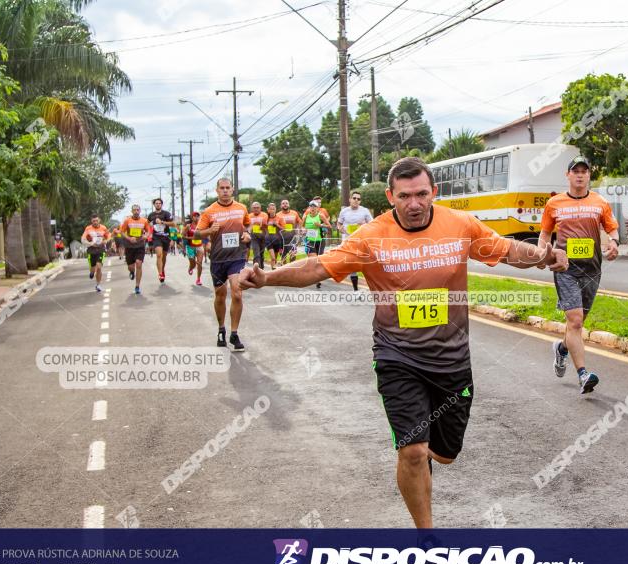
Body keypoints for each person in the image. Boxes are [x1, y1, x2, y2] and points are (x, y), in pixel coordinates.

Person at [240, 157, 567, 528]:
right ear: (391, 197)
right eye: (405, 196)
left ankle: (427, 452)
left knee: (443, 455)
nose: (414, 204)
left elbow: (505, 249)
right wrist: (267, 277)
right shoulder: (370, 236)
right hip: (397, 355)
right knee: (412, 451)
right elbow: (318, 266)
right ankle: (426, 536)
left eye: (422, 194)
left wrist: (541, 255)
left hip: (452, 360)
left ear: (434, 193)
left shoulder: (458, 224)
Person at [538, 155, 620, 394]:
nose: (580, 174)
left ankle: (562, 349)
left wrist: (614, 243)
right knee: (574, 321)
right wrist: (543, 254)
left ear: (589, 175)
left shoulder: (600, 202)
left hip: (592, 269)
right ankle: (583, 375)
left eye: (584, 171)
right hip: (565, 269)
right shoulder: (554, 204)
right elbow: (545, 234)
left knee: (577, 323)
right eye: (576, 171)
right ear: (568, 175)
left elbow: (612, 229)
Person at [196, 178, 251, 352]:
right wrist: (209, 231)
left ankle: (234, 334)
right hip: (218, 259)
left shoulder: (241, 208)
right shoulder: (209, 211)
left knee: (237, 292)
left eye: (228, 188)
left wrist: (247, 235)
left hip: (237, 257)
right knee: (220, 294)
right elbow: (197, 234)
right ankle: (221, 329)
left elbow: (247, 226)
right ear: (217, 190)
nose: (225, 191)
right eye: (222, 188)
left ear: (233, 190)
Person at [337, 191, 373, 292]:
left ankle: (372, 287)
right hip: (348, 241)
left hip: (361, 241)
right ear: (350, 199)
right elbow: (339, 224)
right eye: (354, 198)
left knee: (366, 265)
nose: (356, 200)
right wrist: (340, 229)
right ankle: (356, 290)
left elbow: (372, 224)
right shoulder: (344, 211)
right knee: (352, 265)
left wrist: (364, 225)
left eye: (358, 199)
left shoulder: (365, 211)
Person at [120, 204, 153, 294]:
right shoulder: (127, 221)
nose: (136, 211)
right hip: (129, 246)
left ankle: (137, 286)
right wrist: (129, 238)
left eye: (138, 210)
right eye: (134, 210)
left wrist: (145, 236)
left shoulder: (144, 221)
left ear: (140, 211)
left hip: (140, 245)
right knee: (130, 267)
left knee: (139, 263)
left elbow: (148, 231)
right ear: (132, 211)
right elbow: (122, 232)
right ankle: (132, 272)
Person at [302, 202, 331, 289]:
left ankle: (318, 278)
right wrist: (303, 230)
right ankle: (315, 278)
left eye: (314, 206)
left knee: (319, 259)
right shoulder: (306, 217)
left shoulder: (321, 216)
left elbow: (329, 226)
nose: (313, 208)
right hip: (310, 240)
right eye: (311, 206)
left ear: (318, 208)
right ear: (309, 208)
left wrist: (320, 225)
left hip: (319, 241)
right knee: (313, 259)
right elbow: (302, 226)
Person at [148, 197, 176, 283]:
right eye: (156, 203)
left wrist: (162, 222)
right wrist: (148, 234)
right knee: (159, 255)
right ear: (154, 205)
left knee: (164, 257)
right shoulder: (151, 215)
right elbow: (148, 225)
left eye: (159, 203)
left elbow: (173, 224)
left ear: (161, 204)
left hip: (166, 237)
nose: (158, 204)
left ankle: (162, 270)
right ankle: (160, 273)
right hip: (156, 237)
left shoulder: (166, 214)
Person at [82, 215, 110, 293]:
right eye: (93, 221)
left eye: (96, 220)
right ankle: (91, 272)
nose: (95, 222)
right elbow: (83, 238)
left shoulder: (103, 228)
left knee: (99, 267)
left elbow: (109, 236)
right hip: (91, 250)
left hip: (101, 249)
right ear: (91, 221)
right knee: (92, 267)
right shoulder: (88, 228)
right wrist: (90, 243)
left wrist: (106, 241)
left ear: (99, 220)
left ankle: (98, 285)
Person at [276, 199, 302, 266]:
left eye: (286, 203)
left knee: (293, 255)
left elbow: (300, 222)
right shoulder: (277, 215)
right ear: (281, 206)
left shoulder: (294, 213)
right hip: (282, 239)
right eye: (283, 203)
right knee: (283, 256)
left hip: (292, 238)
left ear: (289, 205)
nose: (285, 204)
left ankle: (292, 270)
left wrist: (298, 230)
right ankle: (284, 271)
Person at [183, 212, 205, 286]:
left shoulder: (202, 226)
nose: (196, 218)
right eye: (195, 216)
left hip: (199, 246)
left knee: (199, 263)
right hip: (190, 247)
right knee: (193, 262)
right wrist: (191, 238)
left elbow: (205, 234)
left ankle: (198, 279)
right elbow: (183, 236)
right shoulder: (188, 226)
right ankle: (191, 267)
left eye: (198, 216)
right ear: (192, 218)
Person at [263, 202, 284, 271]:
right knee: (273, 258)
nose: (272, 210)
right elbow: (262, 227)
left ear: (275, 210)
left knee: (275, 257)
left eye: (273, 209)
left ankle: (273, 271)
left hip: (277, 240)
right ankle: (273, 271)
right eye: (270, 209)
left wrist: (277, 225)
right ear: (268, 210)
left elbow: (283, 229)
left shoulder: (279, 218)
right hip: (268, 240)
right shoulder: (265, 218)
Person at [248, 201, 268, 267]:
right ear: (252, 209)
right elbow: (247, 227)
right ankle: (256, 270)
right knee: (256, 254)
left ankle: (261, 268)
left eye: (257, 207)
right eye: (254, 208)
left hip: (263, 237)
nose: (256, 209)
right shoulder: (249, 216)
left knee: (261, 254)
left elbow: (266, 225)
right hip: (254, 237)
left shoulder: (264, 215)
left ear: (260, 208)